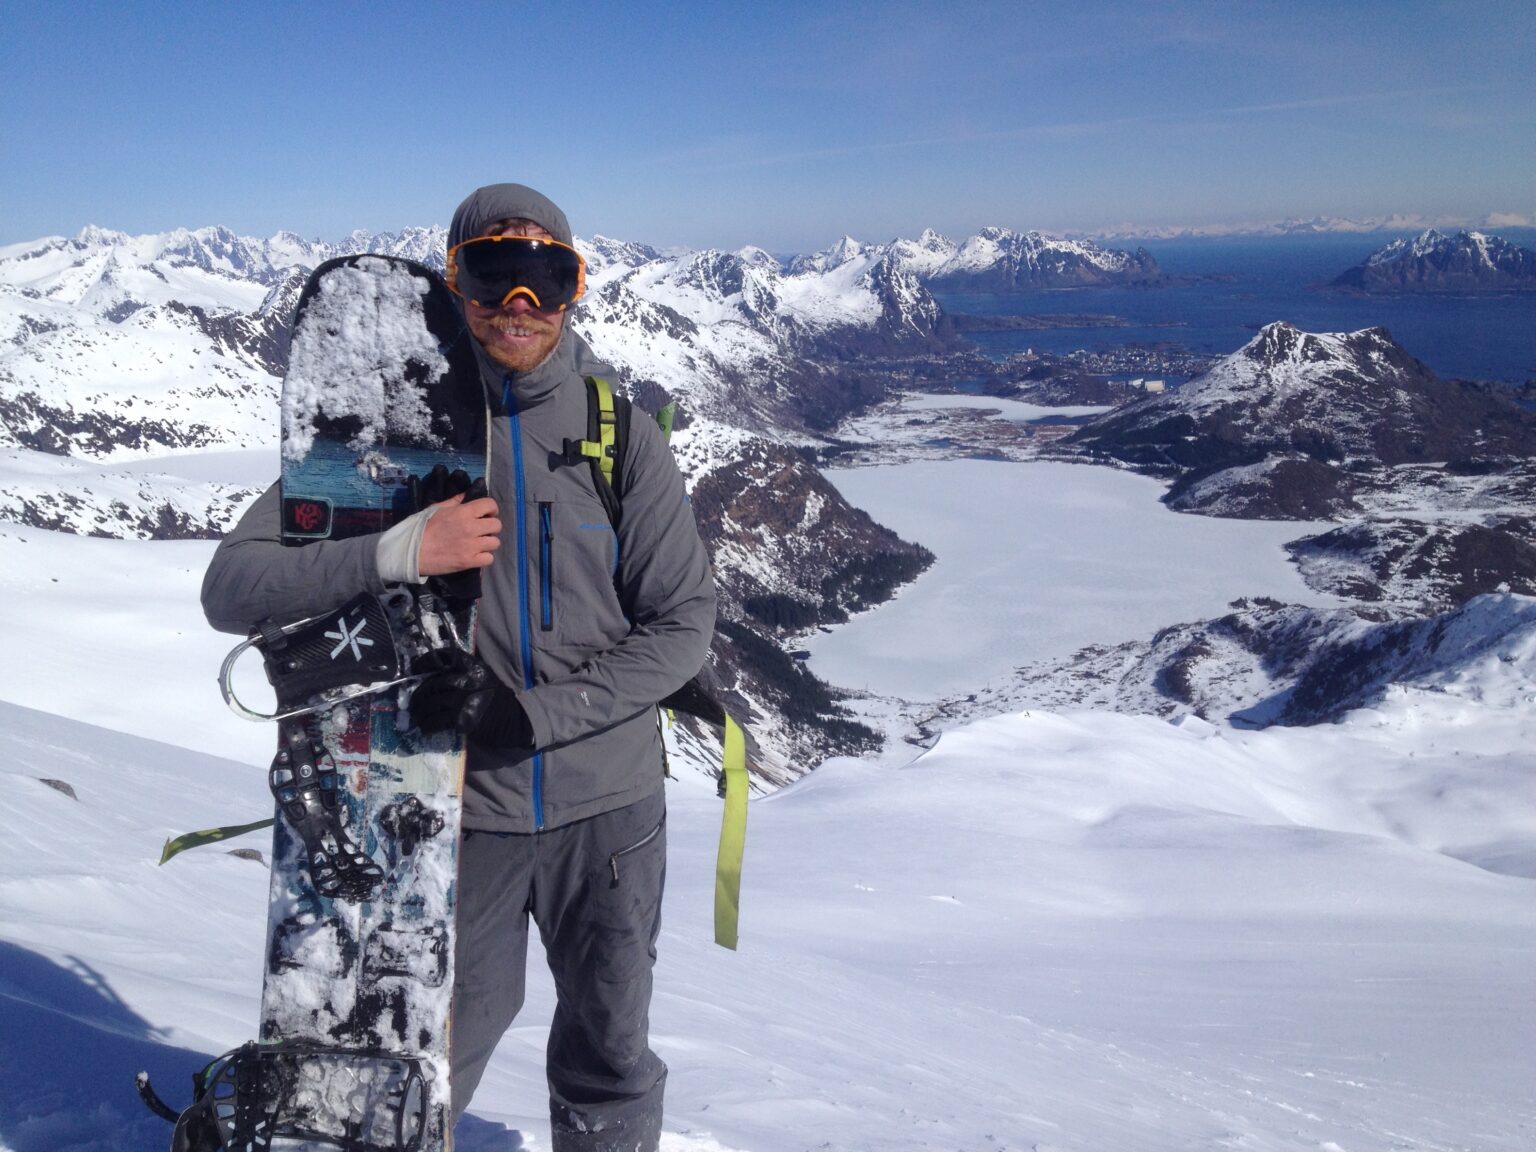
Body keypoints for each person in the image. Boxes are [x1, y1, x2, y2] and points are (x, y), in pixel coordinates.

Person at [201, 182, 716, 1152]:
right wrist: (397, 552)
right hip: (453, 813)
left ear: (575, 290)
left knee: (609, 1052)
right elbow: (237, 586)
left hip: (607, 815)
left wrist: (540, 716)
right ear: (451, 283)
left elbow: (685, 623)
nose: (519, 302)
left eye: (546, 276)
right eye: (493, 273)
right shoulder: (383, 443)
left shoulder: (618, 437)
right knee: (436, 1048)